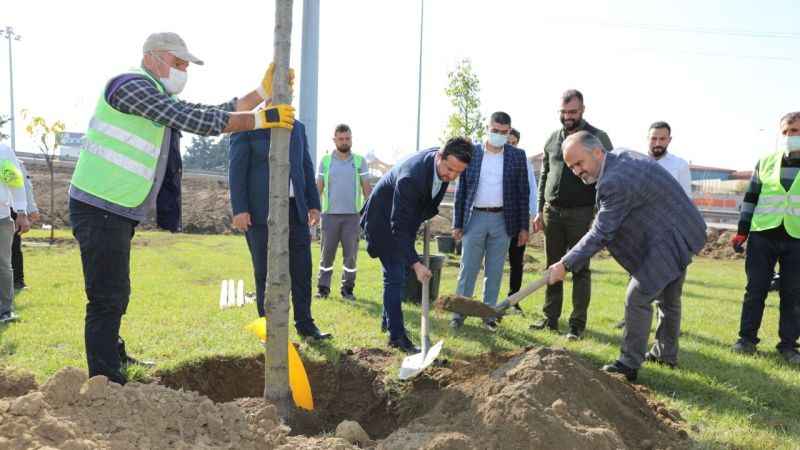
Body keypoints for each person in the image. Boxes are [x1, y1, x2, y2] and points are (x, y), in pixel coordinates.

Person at [68, 31, 295, 384]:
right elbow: (190, 117)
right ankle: (104, 378)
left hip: (116, 208)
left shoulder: (155, 94)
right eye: (177, 63)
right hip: (98, 205)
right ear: (151, 58)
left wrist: (261, 95)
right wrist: (257, 119)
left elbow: (208, 113)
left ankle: (112, 352)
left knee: (116, 289)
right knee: (107, 296)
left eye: (185, 66)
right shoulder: (128, 86)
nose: (182, 71)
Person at [547, 131, 706, 381]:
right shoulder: (620, 156)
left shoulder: (614, 180)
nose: (577, 171)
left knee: (637, 297)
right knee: (669, 298)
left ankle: (628, 364)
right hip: (681, 228)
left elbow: (601, 232)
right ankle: (666, 354)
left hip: (669, 238)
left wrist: (565, 263)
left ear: (597, 152)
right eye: (571, 166)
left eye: (579, 163)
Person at [361, 138, 473, 353]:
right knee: (395, 275)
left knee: (397, 274)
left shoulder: (442, 164)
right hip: (383, 222)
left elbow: (425, 200)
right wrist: (416, 263)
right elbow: (398, 226)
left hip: (405, 219)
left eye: (458, 173)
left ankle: (388, 321)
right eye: (449, 169)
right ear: (439, 156)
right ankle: (396, 337)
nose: (452, 176)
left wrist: (425, 213)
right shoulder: (411, 178)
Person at [229, 119, 332, 341]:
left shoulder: (298, 127)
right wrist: (239, 208)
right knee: (264, 271)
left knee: (302, 270)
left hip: (295, 210)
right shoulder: (249, 123)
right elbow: (237, 167)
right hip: (260, 212)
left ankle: (305, 325)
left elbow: (305, 165)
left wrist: (313, 204)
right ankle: (269, 328)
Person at [532, 89, 613, 340]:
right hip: (552, 212)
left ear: (583, 110)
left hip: (582, 214)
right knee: (552, 267)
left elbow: (608, 176)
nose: (568, 117)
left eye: (573, 112)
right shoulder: (552, 139)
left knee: (579, 269)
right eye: (564, 112)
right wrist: (539, 210)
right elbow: (544, 175)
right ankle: (550, 318)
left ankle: (577, 325)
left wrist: (599, 215)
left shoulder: (597, 138)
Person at [729, 112, 800, 364]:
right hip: (762, 235)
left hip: (797, 239)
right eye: (787, 132)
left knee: (793, 294)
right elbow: (750, 199)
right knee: (755, 290)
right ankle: (746, 339)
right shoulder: (766, 162)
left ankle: (789, 346)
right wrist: (741, 231)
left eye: (796, 131)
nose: (791, 136)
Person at [450, 113, 529, 331]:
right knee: (468, 268)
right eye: (495, 131)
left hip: (503, 220)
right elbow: (462, 189)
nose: (499, 135)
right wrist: (458, 223)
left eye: (504, 132)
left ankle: (489, 315)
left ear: (509, 132)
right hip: (474, 217)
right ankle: (459, 313)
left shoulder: (517, 156)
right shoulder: (472, 153)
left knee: (494, 270)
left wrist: (523, 227)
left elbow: (523, 192)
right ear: (488, 128)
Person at [615, 121, 692, 329]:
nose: (657, 142)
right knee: (635, 279)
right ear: (647, 138)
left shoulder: (679, 166)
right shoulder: (634, 162)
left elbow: (686, 201)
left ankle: (665, 335)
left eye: (662, 139)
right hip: (638, 233)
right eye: (653, 138)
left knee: (668, 290)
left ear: (669, 140)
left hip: (667, 235)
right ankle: (631, 319)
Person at [315, 124, 372, 301]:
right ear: (334, 140)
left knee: (351, 257)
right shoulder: (325, 161)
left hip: (352, 217)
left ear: (351, 139)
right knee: (327, 255)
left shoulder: (359, 161)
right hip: (329, 216)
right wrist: (314, 211)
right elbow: (318, 188)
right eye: (341, 139)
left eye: (347, 138)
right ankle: (323, 289)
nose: (345, 142)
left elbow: (367, 189)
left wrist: (369, 213)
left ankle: (347, 289)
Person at [505, 128, 538, 315]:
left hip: (518, 219)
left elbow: (531, 190)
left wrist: (532, 215)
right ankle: (489, 300)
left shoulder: (523, 161)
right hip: (497, 218)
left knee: (516, 260)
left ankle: (513, 300)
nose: (510, 145)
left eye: (513, 143)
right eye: (507, 142)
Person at [0, 143, 31, 324]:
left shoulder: (2, 151)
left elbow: (15, 182)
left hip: (1, 217)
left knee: (3, 265)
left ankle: (4, 310)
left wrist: (21, 212)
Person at [11, 159, 39, 291]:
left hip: (9, 210)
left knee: (13, 247)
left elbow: (23, 185)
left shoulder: (11, 158)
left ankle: (17, 281)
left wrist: (31, 208)